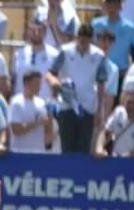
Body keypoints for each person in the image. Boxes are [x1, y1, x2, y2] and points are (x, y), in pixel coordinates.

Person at [48, 23, 109, 153]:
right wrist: (55, 82)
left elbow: (101, 83)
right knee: (66, 145)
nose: (83, 43)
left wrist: (99, 110)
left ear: (91, 40)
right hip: (67, 104)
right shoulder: (65, 51)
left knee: (83, 146)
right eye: (81, 40)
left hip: (87, 106)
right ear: (77, 37)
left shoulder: (98, 55)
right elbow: (51, 73)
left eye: (86, 41)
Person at [94, 87, 134, 156]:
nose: (131, 106)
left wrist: (123, 158)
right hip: (116, 158)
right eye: (129, 102)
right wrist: (99, 148)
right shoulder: (119, 113)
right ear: (124, 104)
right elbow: (106, 132)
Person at [8, 69, 54, 153]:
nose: (39, 87)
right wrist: (38, 123)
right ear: (26, 83)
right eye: (36, 83)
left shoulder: (42, 103)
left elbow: (48, 137)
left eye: (39, 84)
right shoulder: (16, 102)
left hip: (39, 153)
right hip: (20, 153)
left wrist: (50, 124)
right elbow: (16, 130)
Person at [93, 0, 134, 74]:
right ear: (105, 6)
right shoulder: (96, 25)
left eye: (115, 4)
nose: (112, 7)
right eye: (109, 3)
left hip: (121, 72)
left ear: (120, 7)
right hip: (99, 71)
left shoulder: (128, 27)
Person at [14, 19, 60, 96]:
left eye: (40, 30)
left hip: (46, 103)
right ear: (28, 32)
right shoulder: (19, 54)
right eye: (33, 30)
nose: (36, 33)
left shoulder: (55, 55)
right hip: (23, 103)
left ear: (45, 33)